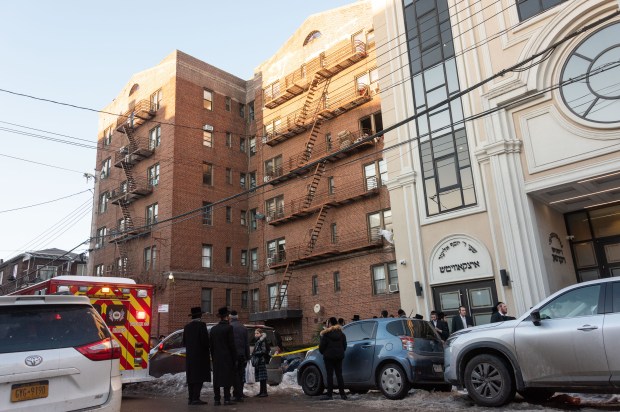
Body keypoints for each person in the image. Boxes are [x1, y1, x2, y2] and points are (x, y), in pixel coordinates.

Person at [182, 306, 211, 406]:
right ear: (200, 316)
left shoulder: (187, 327)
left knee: (191, 378)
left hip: (190, 356)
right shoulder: (202, 325)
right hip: (200, 356)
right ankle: (196, 398)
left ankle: (191, 398)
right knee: (199, 377)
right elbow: (205, 341)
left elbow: (184, 342)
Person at [209, 307, 237, 406]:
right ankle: (226, 399)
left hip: (216, 357)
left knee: (216, 378)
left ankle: (217, 399)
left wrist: (213, 356)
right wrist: (235, 358)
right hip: (227, 357)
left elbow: (211, 346)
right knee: (227, 378)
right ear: (226, 317)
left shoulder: (213, 329)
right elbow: (231, 344)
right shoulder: (229, 328)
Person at [319, 317, 347, 401]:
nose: (327, 324)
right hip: (339, 357)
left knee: (329, 375)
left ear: (330, 323)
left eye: (328, 323)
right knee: (339, 375)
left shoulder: (326, 334)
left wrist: (324, 353)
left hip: (328, 358)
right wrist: (340, 352)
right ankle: (342, 394)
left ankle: (329, 395)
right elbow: (344, 346)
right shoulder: (342, 334)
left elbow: (321, 347)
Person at [229, 310, 250, 402]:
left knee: (234, 375)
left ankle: (236, 394)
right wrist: (248, 356)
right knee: (241, 375)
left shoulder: (229, 327)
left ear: (230, 317)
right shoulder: (243, 328)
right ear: (237, 317)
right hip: (242, 355)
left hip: (232, 356)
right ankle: (240, 394)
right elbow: (246, 344)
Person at [251, 328, 270, 398]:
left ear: (261, 334)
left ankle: (264, 392)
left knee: (263, 378)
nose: (255, 335)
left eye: (257, 333)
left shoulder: (262, 341)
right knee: (261, 377)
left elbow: (264, 351)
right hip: (259, 360)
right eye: (255, 333)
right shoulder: (258, 340)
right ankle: (261, 392)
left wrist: (255, 353)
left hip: (261, 360)